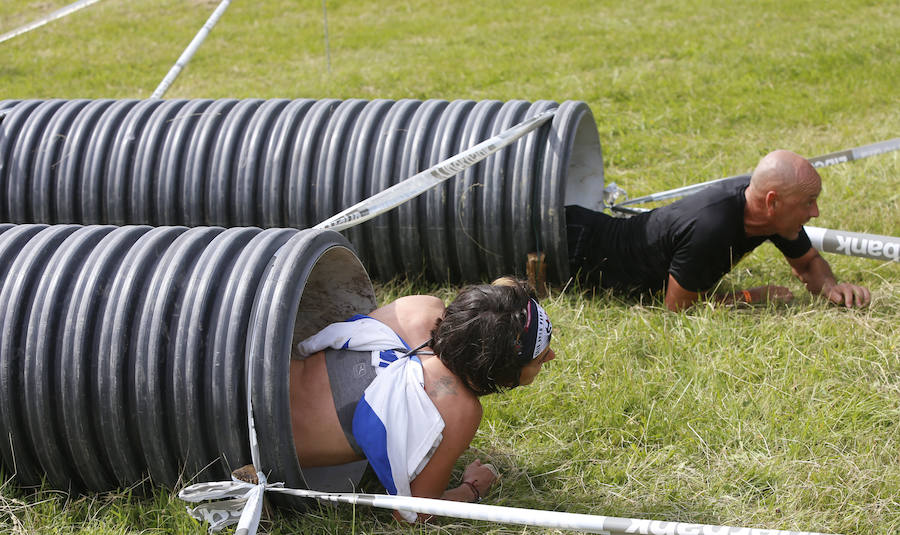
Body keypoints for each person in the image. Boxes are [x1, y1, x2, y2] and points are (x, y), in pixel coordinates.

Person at [288, 277, 554, 522]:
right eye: (541, 357)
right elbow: (414, 514)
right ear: (504, 372)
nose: (551, 356)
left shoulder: (420, 307)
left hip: (261, 378)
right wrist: (472, 488)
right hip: (261, 444)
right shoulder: (458, 408)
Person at [566, 149, 871, 311]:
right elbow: (678, 308)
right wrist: (751, 296)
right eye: (808, 203)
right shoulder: (712, 227)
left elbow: (808, 263)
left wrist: (831, 287)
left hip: (581, 231)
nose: (815, 212)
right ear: (773, 201)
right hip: (571, 249)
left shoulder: (769, 214)